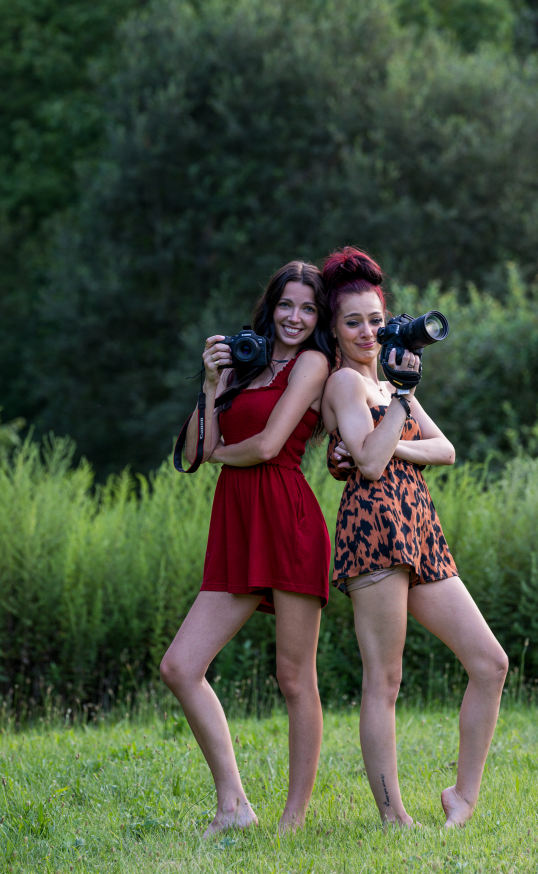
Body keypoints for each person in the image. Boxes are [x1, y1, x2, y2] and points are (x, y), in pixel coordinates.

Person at [321, 247, 508, 829]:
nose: (367, 332)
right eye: (353, 322)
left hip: (419, 524)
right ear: (335, 328)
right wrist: (399, 407)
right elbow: (370, 465)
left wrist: (397, 419)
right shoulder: (345, 385)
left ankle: (463, 797)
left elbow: (445, 450)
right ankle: (393, 817)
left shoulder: (390, 386)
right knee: (385, 679)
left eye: (375, 320)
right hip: (375, 527)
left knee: (490, 662)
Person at [160, 261, 335, 834]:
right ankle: (233, 805)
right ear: (270, 306)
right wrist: (213, 383)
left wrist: (217, 453)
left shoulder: (313, 364)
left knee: (294, 678)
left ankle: (292, 820)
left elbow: (265, 447)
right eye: (286, 305)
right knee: (181, 666)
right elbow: (194, 450)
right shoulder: (244, 362)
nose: (295, 317)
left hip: (288, 521)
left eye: (308, 308)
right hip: (236, 524)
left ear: (319, 317)